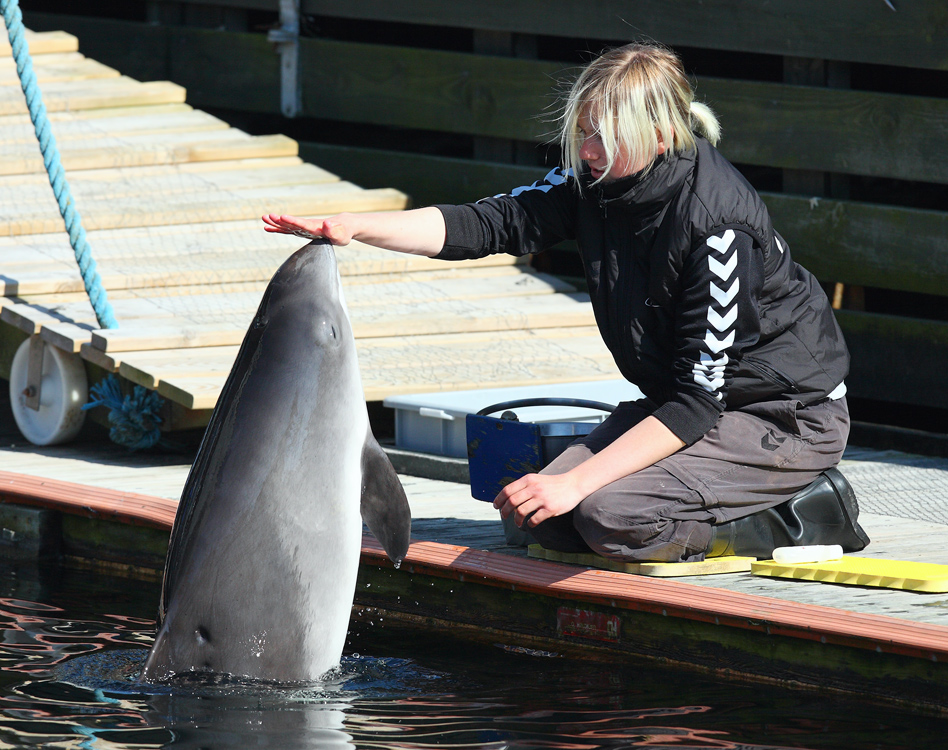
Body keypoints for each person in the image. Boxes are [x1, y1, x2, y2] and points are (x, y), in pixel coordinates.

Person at [263, 42, 869, 562]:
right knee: (532, 514)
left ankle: (805, 509)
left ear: (659, 134)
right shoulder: (593, 184)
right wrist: (354, 226)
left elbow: (695, 403)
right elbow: (487, 224)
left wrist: (579, 481)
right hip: (689, 408)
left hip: (782, 416)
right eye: (582, 132)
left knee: (611, 516)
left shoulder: (717, 228)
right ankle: (695, 498)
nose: (586, 151)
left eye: (604, 137)